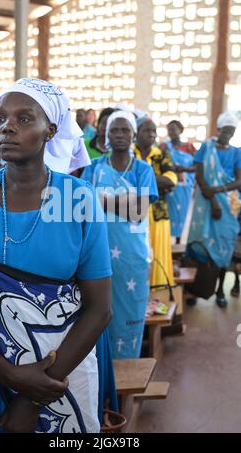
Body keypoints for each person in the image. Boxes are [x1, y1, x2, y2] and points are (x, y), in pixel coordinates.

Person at [0, 78, 112, 433]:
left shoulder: (78, 199)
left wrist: (32, 397)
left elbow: (100, 309)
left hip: (61, 376)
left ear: (50, 130)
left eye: (24, 119)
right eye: (0, 118)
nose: (7, 126)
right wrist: (10, 374)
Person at [82, 111, 158, 359]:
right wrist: (123, 202)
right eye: (114, 130)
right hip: (97, 252)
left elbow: (138, 212)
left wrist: (103, 199)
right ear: (105, 135)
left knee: (129, 309)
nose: (119, 135)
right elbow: (84, 206)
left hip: (132, 255)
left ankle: (127, 366)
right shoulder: (93, 168)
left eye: (125, 130)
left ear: (134, 135)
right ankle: (100, 375)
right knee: (95, 311)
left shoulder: (143, 170)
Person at [187, 111, 241, 308]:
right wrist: (212, 198)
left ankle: (219, 290)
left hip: (229, 204)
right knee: (199, 243)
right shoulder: (207, 147)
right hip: (205, 201)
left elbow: (239, 180)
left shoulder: (237, 152)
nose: (228, 134)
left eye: (232, 131)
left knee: (224, 246)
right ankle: (194, 289)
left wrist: (218, 191)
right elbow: (200, 175)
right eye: (226, 130)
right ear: (218, 129)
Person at [134, 116, 177, 287]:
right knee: (136, 252)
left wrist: (141, 178)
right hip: (132, 212)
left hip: (158, 214)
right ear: (136, 132)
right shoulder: (129, 153)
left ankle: (157, 292)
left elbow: (171, 179)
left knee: (158, 255)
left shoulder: (162, 154)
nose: (151, 134)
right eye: (147, 130)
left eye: (154, 131)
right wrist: (155, 181)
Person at [161, 120, 196, 243]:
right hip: (168, 186)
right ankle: (166, 244)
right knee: (168, 213)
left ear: (181, 130)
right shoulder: (164, 147)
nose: (171, 132)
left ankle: (178, 242)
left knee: (181, 213)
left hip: (184, 187)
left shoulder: (189, 147)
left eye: (173, 129)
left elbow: (198, 166)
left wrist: (184, 169)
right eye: (169, 129)